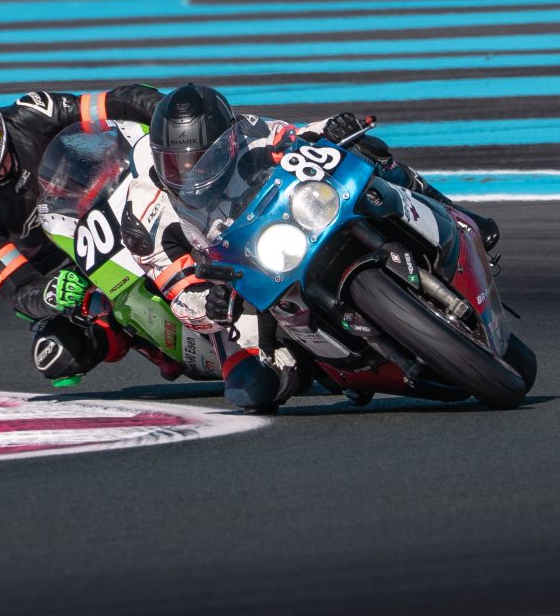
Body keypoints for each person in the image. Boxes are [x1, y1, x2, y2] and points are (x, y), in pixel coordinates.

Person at [140, 83, 497, 413]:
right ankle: (319, 365)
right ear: (158, 159)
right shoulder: (150, 216)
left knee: (367, 150)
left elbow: (296, 137)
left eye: (204, 158)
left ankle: (458, 214)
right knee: (255, 387)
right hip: (244, 280)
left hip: (299, 219)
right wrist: (211, 304)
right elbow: (178, 293)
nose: (191, 171)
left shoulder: (250, 136)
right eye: (177, 162)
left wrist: (333, 127)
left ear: (228, 143)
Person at [0, 78, 168, 386]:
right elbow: (18, 289)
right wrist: (50, 293)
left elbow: (117, 101)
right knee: (58, 353)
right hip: (75, 271)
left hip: (117, 205)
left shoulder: (34, 112)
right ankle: (139, 336)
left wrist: (169, 116)